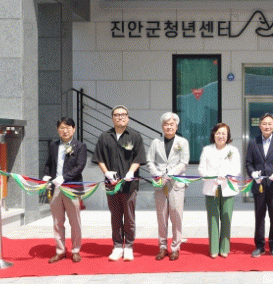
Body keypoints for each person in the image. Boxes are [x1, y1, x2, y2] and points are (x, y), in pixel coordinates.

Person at [93, 105, 146, 261]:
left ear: (128, 118)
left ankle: (128, 246)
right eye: (117, 115)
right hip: (111, 184)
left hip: (129, 185)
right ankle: (117, 246)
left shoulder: (135, 136)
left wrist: (131, 172)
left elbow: (138, 158)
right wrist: (106, 173)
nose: (120, 117)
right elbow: (99, 158)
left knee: (129, 217)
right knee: (115, 216)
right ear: (112, 118)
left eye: (123, 114)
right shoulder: (104, 136)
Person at [42, 117, 87, 263]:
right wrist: (46, 175)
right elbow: (48, 163)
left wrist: (64, 177)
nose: (65, 130)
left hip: (72, 188)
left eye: (68, 127)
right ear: (57, 130)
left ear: (73, 129)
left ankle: (75, 250)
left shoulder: (80, 146)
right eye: (62, 127)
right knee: (57, 221)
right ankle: (60, 251)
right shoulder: (53, 146)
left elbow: (80, 166)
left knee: (75, 221)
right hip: (55, 188)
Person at [146, 112, 190, 261]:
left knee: (176, 216)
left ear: (176, 126)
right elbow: (149, 161)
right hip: (160, 184)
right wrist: (157, 174)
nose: (169, 127)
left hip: (176, 184)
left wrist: (170, 174)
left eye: (172, 124)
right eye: (166, 124)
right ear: (162, 126)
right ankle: (162, 247)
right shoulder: (155, 142)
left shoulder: (182, 142)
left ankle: (176, 247)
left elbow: (184, 162)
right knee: (161, 217)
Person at [245, 113, 273, 258]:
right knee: (259, 216)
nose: (267, 126)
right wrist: (252, 173)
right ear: (260, 126)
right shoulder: (253, 143)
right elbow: (248, 163)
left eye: (270, 124)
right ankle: (259, 246)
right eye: (264, 123)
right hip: (259, 186)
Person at [198, 123, 240, 258]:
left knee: (226, 218)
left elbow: (236, 169)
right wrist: (210, 176)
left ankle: (224, 248)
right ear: (213, 135)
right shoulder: (206, 150)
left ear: (228, 136)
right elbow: (201, 169)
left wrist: (226, 175)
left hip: (228, 188)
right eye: (218, 133)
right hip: (212, 187)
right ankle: (214, 248)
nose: (221, 136)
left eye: (223, 133)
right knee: (213, 218)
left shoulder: (233, 150)